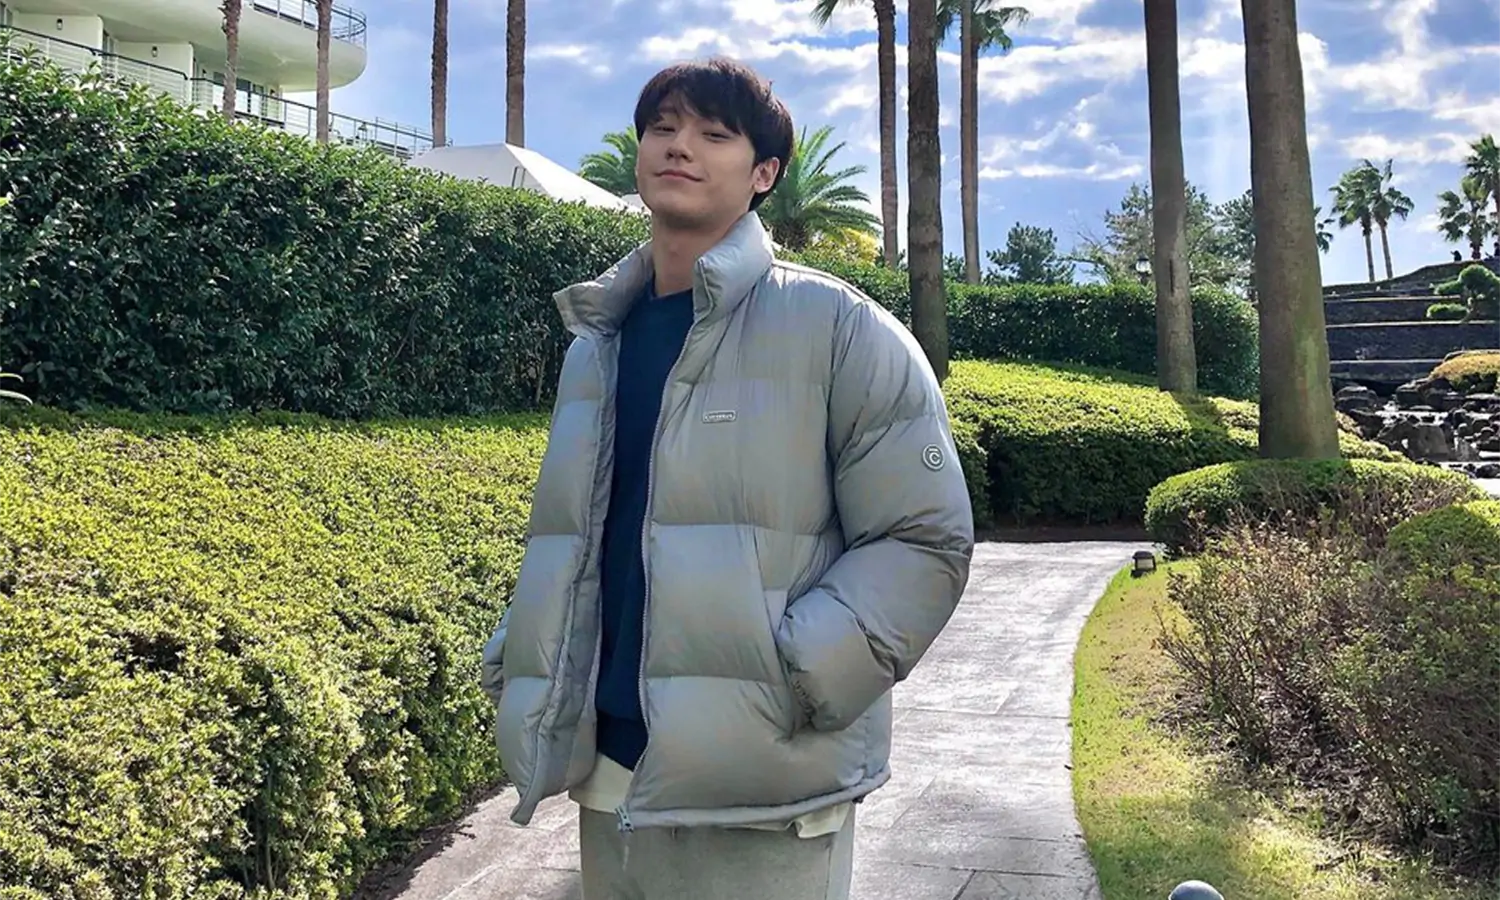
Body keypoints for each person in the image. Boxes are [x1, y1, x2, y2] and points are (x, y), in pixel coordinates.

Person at [480, 56, 974, 899]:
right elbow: (584, 534)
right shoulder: (597, 341)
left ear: (764, 174)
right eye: (663, 127)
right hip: (610, 774)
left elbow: (923, 539)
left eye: (714, 133)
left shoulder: (837, 327)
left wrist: (799, 672)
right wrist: (527, 651)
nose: (680, 146)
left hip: (767, 791)